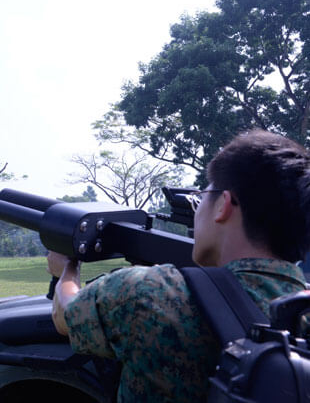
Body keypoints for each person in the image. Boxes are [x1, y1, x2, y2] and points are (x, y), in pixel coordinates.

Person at [48, 129, 310, 402]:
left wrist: (66, 269)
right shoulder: (302, 310)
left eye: (202, 196)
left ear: (224, 204)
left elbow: (65, 314)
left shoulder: (148, 292)